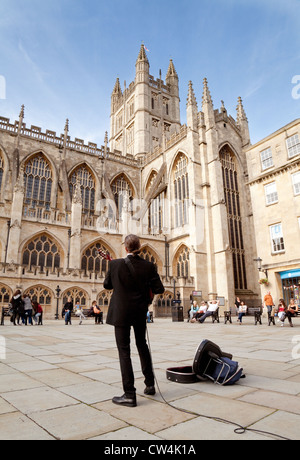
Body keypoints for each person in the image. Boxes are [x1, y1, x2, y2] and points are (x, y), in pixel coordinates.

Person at [104, 234, 165, 408]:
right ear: (139, 247)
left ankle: (129, 394)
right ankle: (150, 384)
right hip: (139, 311)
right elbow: (159, 288)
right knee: (142, 345)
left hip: (121, 313)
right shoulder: (149, 265)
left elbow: (107, 285)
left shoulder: (115, 264)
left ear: (125, 248)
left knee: (124, 351)